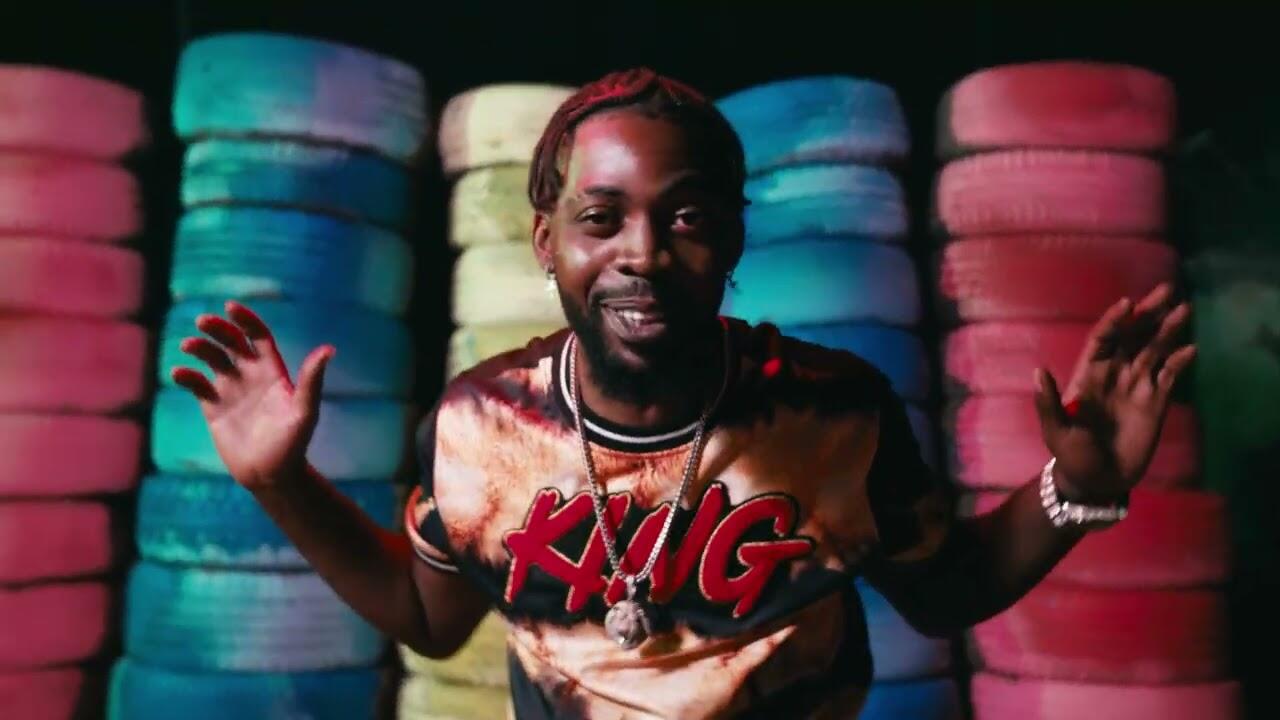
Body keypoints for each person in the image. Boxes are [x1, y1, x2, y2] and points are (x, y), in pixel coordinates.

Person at [171, 68, 1197, 719]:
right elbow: (426, 617)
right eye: (601, 219)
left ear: (735, 238)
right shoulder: (481, 425)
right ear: (546, 242)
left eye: (687, 217)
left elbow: (947, 593)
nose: (644, 254)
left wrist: (1079, 486)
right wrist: (280, 483)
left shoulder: (833, 414)